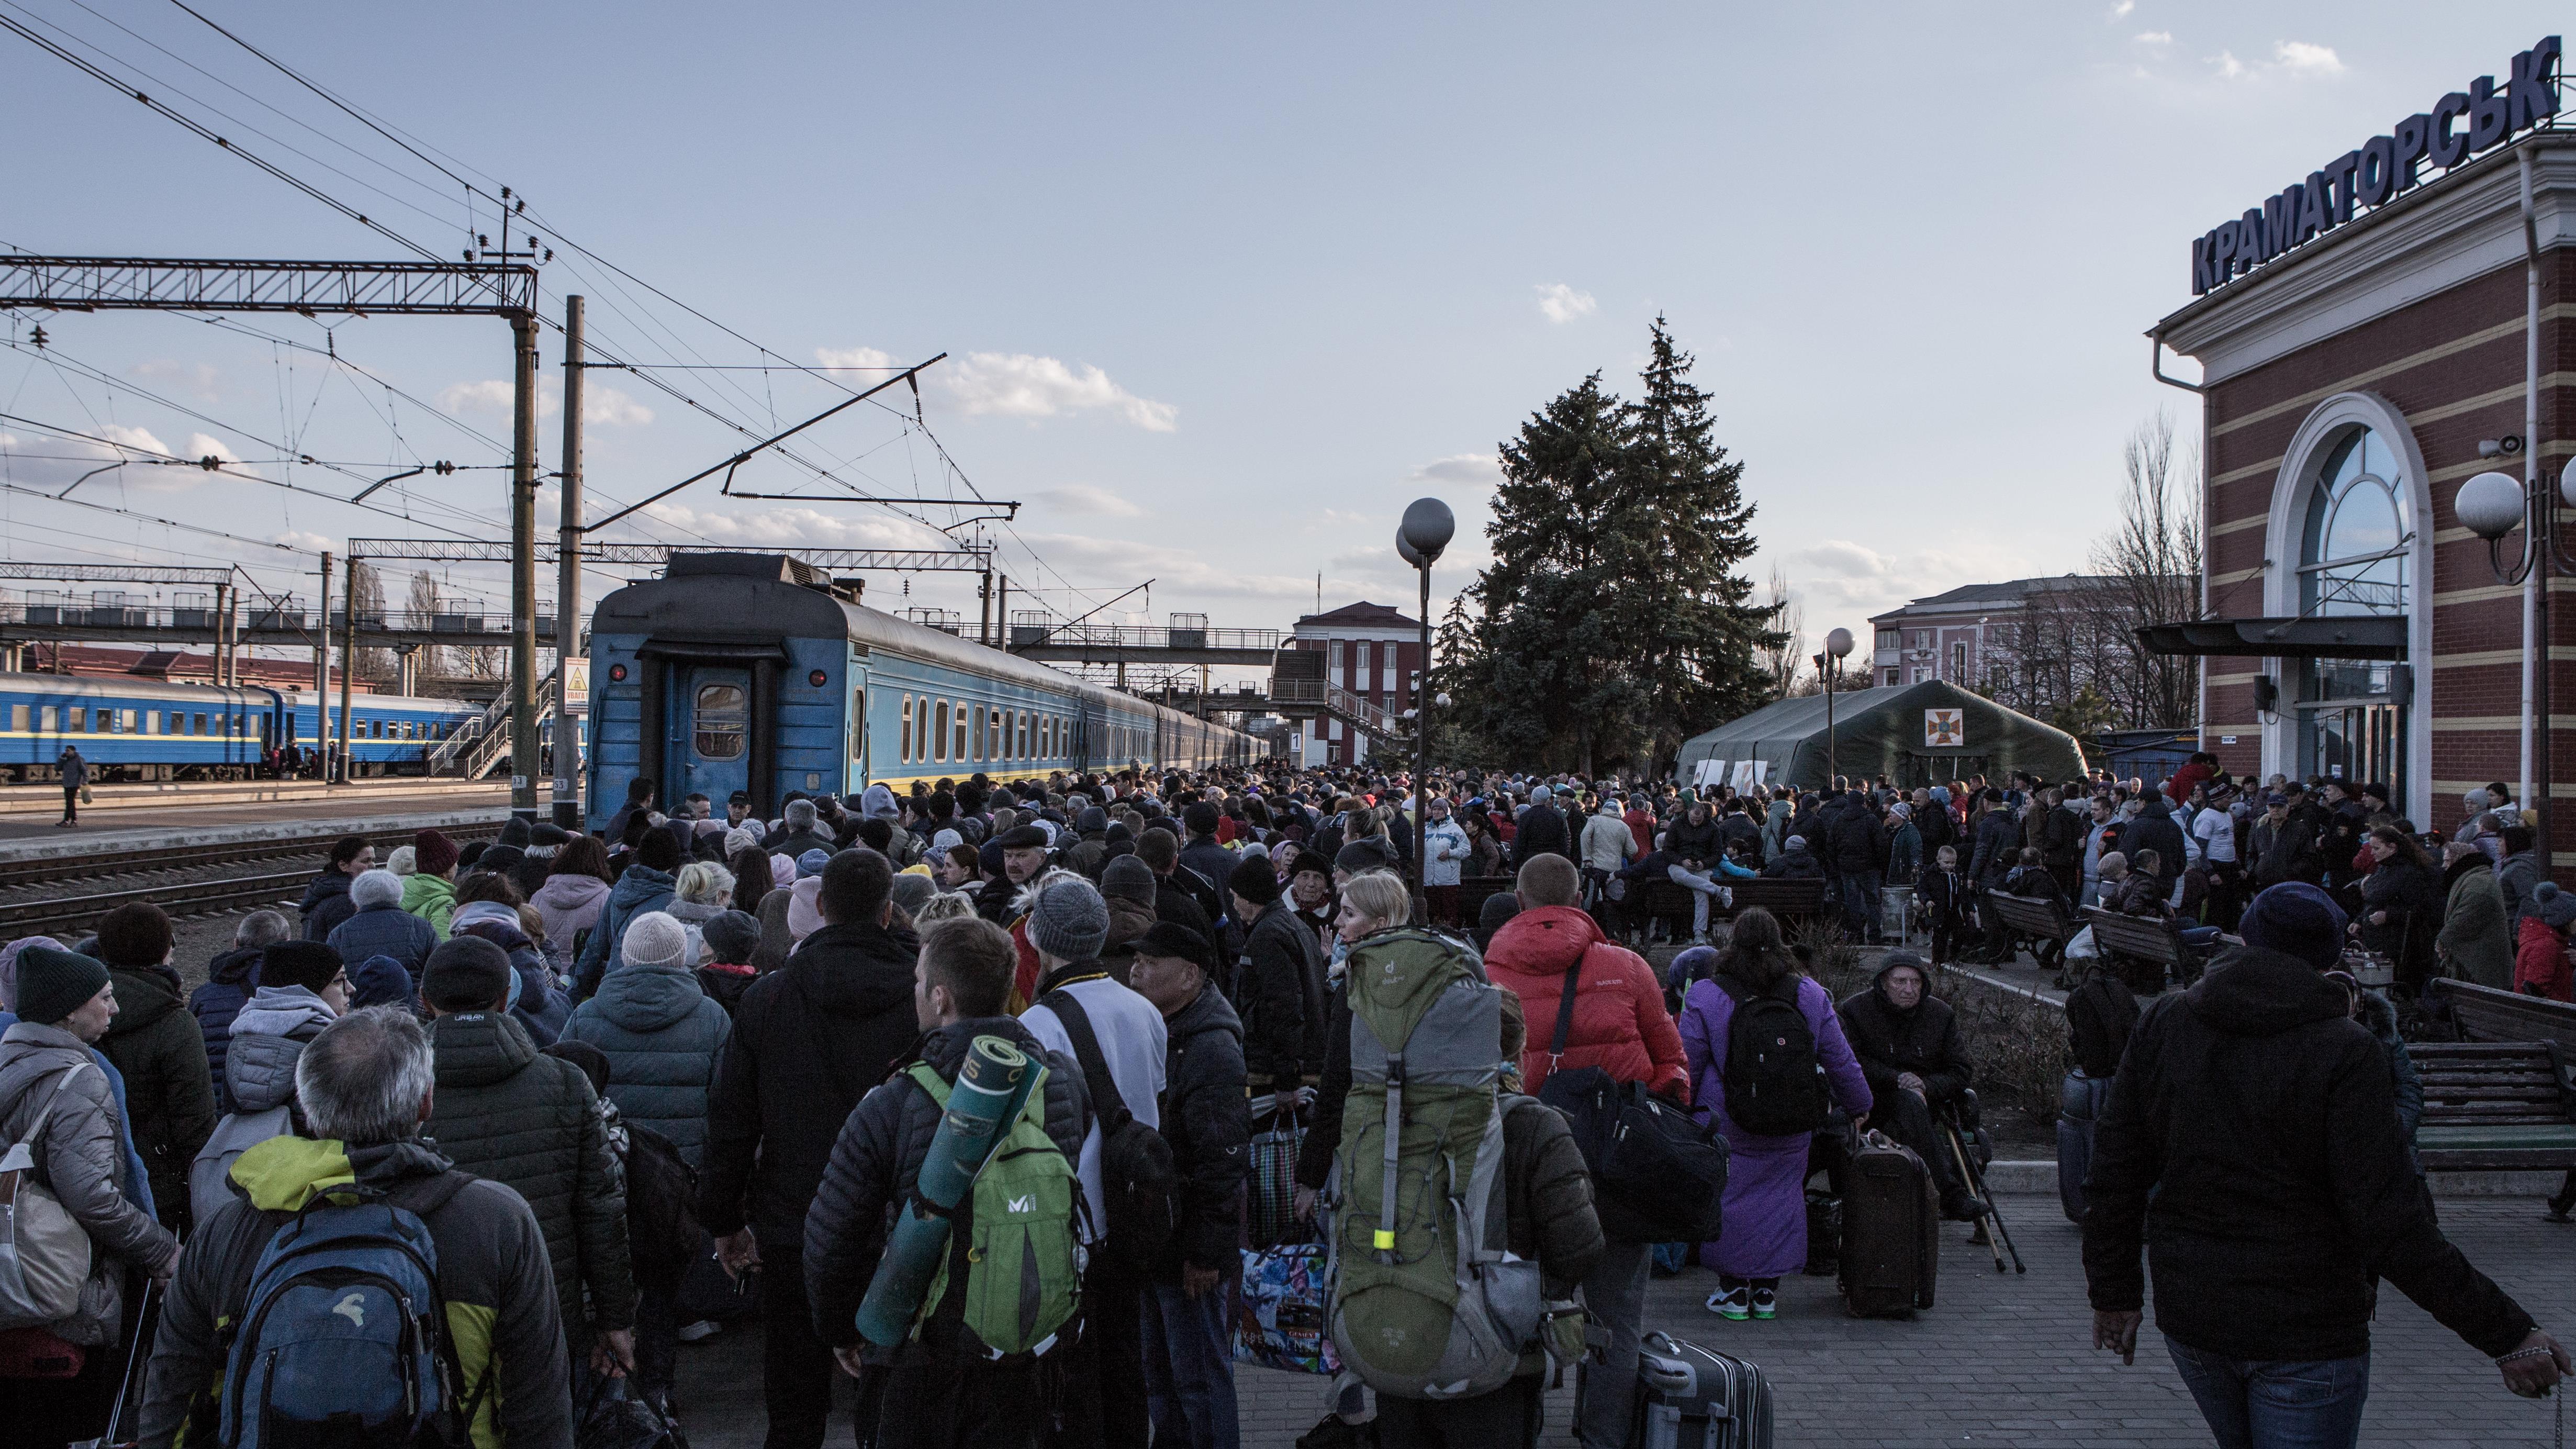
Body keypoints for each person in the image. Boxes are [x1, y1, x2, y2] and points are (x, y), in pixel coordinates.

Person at [2085, 882, 2568, 1444]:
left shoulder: (2168, 1020)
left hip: (2196, 1315)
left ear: (2246, 936)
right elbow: (2389, 1222)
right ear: (2330, 956)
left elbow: (2115, 1167)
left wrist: (2114, 1293)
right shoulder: (2345, 1048)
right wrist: (2508, 1334)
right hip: (2306, 1329)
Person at [138, 1007, 575, 1449]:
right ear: (426, 1102)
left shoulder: (228, 1231)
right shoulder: (497, 1221)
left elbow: (173, 1395)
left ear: (307, 1106)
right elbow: (538, 1409)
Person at [800, 916, 1094, 1449]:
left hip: (921, 1352)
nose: (914, 991)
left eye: (919, 981)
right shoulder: (1061, 1082)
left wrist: (843, 1328)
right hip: (1026, 1347)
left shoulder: (895, 1099)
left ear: (941, 997)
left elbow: (833, 1234)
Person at [700, 847, 923, 1449]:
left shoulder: (768, 998)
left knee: (794, 1395)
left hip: (793, 1218)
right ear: (887, 911)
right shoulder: (921, 997)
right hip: (897, 1224)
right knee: (892, 1390)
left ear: (821, 906)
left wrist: (724, 1218)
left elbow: (732, 1120)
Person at [1482, 852, 1682, 1448]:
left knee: (1514, 1314)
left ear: (1518, 899)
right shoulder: (1627, 966)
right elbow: (1673, 1064)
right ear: (1579, 899)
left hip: (1521, 1168)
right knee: (1615, 1322)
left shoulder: (1486, 973)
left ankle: (1518, 1432)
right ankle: (1602, 1438)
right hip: (1618, 1171)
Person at [1376, 987, 1603, 1449]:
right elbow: (1578, 1246)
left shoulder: (1393, 1117)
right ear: (1519, 1050)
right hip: (1498, 1353)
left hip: (1399, 1341)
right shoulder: (1536, 1126)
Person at [420, 935, 640, 1408]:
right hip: (548, 1314)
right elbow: (601, 1210)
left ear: (425, 1001)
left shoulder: (399, 1089)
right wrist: (615, 1319)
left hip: (434, 1317)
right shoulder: (564, 1082)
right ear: (506, 998)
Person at [0, 945, 180, 1449]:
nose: (114, 1008)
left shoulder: (9, 1063)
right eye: (104, 997)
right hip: (62, 1290)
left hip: (9, 1278)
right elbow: (94, 1198)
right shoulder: (80, 1081)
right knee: (68, 1423)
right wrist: (161, 1249)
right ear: (69, 1011)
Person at [1017, 874, 1164, 1447]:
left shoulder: (1038, 1024)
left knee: (1077, 1383)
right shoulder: (1144, 1009)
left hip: (1074, 1226)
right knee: (1127, 1368)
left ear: (1039, 938)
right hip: (1134, 1214)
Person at [1675, 910, 1872, 1323]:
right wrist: (1859, 1103)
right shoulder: (1809, 994)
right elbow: (1839, 1058)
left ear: (1732, 945)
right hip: (1792, 1115)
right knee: (1782, 1197)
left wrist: (1678, 1107)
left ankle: (1733, 1289)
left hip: (1727, 1118)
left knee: (1730, 1196)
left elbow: (1688, 1060)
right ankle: (1766, 1292)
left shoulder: (1707, 995)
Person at [1126, 922, 1250, 1449]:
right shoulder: (1164, 1029)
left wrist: (1205, 1253)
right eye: (1136, 960)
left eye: (1150, 962)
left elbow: (1222, 1159)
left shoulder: (1210, 1046)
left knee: (1198, 1378)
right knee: (1161, 1377)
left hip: (1189, 1251)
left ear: (1190, 975)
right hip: (1159, 1241)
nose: (1135, 971)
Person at [564, 911, 731, 1165]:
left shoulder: (584, 1017)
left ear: (626, 956)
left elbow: (563, 1094)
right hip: (685, 1164)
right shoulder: (713, 1017)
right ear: (681, 957)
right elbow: (727, 1099)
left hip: (608, 1161)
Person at [1834, 951, 1988, 1222]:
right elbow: (1851, 1061)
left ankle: (1935, 1201)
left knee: (1910, 1105)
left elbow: (1960, 1070)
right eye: (1900, 982)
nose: (1909, 989)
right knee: (1907, 1103)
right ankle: (1950, 1196)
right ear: (1884, 983)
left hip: (1925, 1105)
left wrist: (1925, 1085)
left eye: (1916, 982)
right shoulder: (1855, 1011)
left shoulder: (1940, 1015)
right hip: (1870, 1102)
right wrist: (1897, 1079)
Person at [91, 900, 214, 1233]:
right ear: (163, 951)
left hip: (95, 1176)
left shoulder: (84, 1010)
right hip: (163, 1186)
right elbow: (195, 1120)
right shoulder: (175, 1022)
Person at [1228, 854, 1326, 1116]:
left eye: (1235, 896)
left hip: (1273, 1069)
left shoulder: (1268, 936)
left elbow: (1284, 1008)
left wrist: (1286, 1078)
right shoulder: (1293, 926)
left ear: (1250, 897)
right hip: (1298, 1061)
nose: (1234, 904)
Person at [189, 909, 292, 1113]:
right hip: (272, 1109)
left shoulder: (202, 996)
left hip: (215, 1106)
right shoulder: (291, 991)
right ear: (287, 945)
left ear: (236, 944)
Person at [578, 827, 682, 1000]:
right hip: (642, 991)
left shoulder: (622, 886)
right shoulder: (669, 900)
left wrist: (575, 991)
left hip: (610, 985)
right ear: (673, 861)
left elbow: (596, 944)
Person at [2437, 840, 2516, 991]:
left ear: (2458, 859)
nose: (2444, 866)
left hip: (2481, 964)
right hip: (2480, 958)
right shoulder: (2473, 879)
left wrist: (2443, 939)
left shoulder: (2478, 884)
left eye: (2447, 860)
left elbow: (2465, 918)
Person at [297, 834, 375, 941]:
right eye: (366, 861)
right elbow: (347, 943)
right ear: (343, 865)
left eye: (373, 860)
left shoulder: (327, 890)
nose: (373, 866)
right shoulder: (345, 901)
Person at [1421, 795, 1471, 928]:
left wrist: (1451, 853)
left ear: (1445, 811)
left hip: (1448, 879)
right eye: (1434, 809)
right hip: (1429, 879)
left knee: (1449, 913)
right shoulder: (1426, 829)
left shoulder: (1455, 829)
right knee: (1433, 914)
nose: (1436, 812)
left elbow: (1466, 850)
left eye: (1440, 810)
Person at [404, 828, 463, 939]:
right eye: (455, 862)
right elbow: (444, 943)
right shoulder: (444, 902)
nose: (457, 866)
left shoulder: (406, 892)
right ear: (447, 869)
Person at [55, 743, 86, 827]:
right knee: (70, 803)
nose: (66, 752)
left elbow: (84, 770)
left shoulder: (79, 759)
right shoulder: (65, 760)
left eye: (68, 751)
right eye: (66, 751)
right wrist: (61, 759)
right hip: (67, 784)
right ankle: (72, 821)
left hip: (75, 784)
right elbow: (57, 769)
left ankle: (68, 821)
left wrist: (85, 781)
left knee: (70, 802)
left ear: (73, 751)